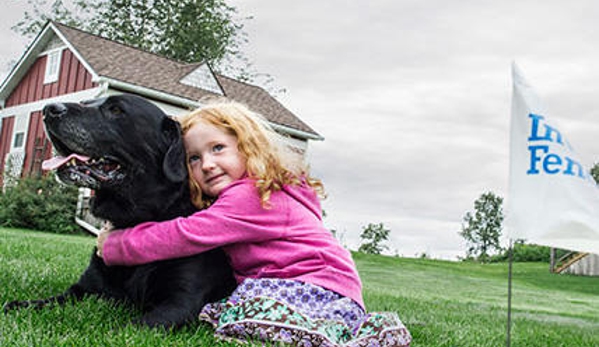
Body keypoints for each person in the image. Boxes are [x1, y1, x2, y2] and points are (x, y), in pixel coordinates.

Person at [97, 100, 411, 347]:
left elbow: (185, 234)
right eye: (193, 158)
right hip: (331, 291)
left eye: (217, 148)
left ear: (248, 148)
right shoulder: (265, 190)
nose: (206, 164)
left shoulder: (249, 197)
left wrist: (115, 245)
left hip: (313, 288)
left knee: (239, 315)